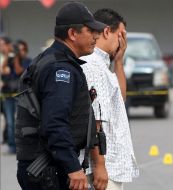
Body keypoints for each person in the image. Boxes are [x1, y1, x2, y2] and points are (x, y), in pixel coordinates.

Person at [15, 2, 107, 190]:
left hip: (46, 166)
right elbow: (55, 123)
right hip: (48, 170)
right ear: (73, 34)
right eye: (90, 31)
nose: (96, 36)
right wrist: (72, 167)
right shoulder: (60, 69)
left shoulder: (54, 61)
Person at [79, 8, 139, 190]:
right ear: (107, 31)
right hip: (103, 167)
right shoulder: (93, 65)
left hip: (111, 165)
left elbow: (119, 99)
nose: (123, 41)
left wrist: (119, 61)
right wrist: (99, 166)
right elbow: (95, 121)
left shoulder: (103, 65)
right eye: (121, 35)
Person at [0, 36, 27, 153]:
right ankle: (12, 146)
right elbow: (3, 69)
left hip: (19, 94)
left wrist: (16, 57)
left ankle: (20, 146)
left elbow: (18, 71)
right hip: (7, 96)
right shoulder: (9, 59)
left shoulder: (26, 60)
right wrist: (8, 55)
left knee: (18, 122)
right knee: (10, 123)